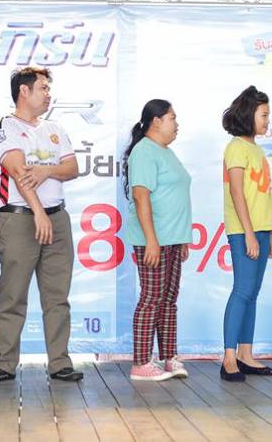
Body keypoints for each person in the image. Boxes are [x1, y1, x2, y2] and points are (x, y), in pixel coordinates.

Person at [0, 67, 82, 383]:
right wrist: (38, 211)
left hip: (57, 217)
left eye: (49, 88)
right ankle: (4, 363)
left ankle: (60, 362)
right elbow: (17, 170)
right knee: (13, 294)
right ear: (24, 91)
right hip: (20, 219)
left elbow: (72, 167)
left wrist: (47, 170)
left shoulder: (54, 128)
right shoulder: (5, 126)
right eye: (43, 88)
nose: (48, 94)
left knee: (57, 296)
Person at [122, 100, 192, 382]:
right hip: (153, 239)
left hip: (173, 238)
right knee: (151, 298)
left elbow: (175, 196)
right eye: (172, 118)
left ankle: (168, 357)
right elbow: (141, 197)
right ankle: (141, 363)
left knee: (168, 300)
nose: (177, 124)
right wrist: (151, 239)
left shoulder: (166, 152)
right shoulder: (144, 151)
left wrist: (182, 238)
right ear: (156, 121)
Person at [220, 86, 272, 381]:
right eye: (264, 115)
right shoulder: (236, 147)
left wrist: (270, 233)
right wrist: (249, 233)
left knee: (252, 294)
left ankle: (246, 354)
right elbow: (236, 192)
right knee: (242, 291)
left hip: (261, 229)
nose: (268, 120)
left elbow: (264, 194)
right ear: (248, 114)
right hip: (245, 231)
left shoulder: (256, 149)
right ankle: (229, 358)